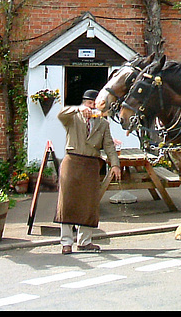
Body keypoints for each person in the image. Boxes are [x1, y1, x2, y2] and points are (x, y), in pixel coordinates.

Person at [54, 89, 121, 254]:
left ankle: (84, 242)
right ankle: (66, 243)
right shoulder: (72, 117)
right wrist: (77, 109)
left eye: (94, 105)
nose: (91, 108)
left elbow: (109, 146)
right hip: (72, 161)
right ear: (84, 103)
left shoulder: (103, 123)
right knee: (67, 203)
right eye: (89, 104)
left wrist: (115, 164)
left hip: (91, 164)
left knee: (89, 204)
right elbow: (60, 114)